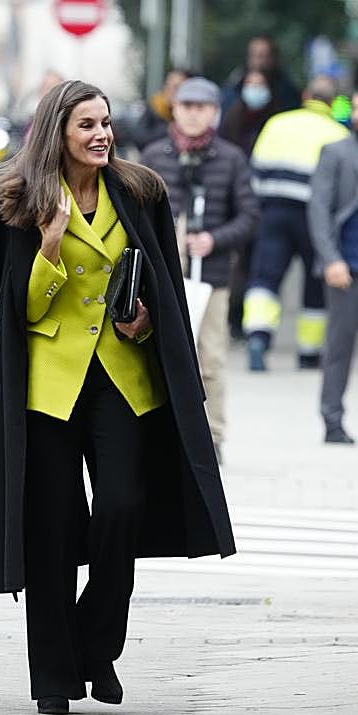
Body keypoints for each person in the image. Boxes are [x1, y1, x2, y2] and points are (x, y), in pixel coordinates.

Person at [0, 80, 235, 715]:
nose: (102, 135)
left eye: (106, 123)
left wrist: (144, 323)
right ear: (56, 133)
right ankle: (54, 680)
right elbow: (13, 306)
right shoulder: (18, 201)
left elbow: (164, 287)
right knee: (50, 531)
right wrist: (50, 247)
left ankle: (97, 643)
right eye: (87, 125)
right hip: (48, 387)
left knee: (123, 507)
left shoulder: (142, 191)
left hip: (123, 380)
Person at [141, 77, 259, 462]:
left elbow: (249, 216)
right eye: (186, 106)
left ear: (213, 113)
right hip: (162, 277)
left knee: (210, 359)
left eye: (201, 107)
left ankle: (212, 436)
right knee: (158, 357)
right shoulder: (154, 156)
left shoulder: (231, 159)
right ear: (174, 109)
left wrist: (215, 239)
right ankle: (158, 431)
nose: (192, 114)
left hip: (212, 278)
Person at [243, 75, 347, 371]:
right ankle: (308, 352)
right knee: (315, 282)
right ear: (332, 102)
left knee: (265, 276)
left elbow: (257, 170)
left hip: (273, 211)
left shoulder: (277, 123)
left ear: (305, 95)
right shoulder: (338, 133)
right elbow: (341, 187)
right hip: (315, 218)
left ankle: (258, 338)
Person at [308, 81, 358, 444]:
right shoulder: (336, 151)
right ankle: (332, 420)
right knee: (339, 345)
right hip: (348, 264)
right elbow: (318, 209)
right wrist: (330, 259)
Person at [219, 68, 282, 340]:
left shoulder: (276, 119)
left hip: (266, 200)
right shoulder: (232, 116)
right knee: (239, 264)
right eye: (250, 84)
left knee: (259, 262)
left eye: (260, 84)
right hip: (237, 196)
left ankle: (250, 323)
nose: (255, 90)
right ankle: (236, 320)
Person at [221, 35, 300, 117]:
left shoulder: (287, 91)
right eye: (256, 56)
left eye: (264, 56)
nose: (260, 62)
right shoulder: (235, 87)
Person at [132, 68, 190, 150]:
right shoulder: (155, 105)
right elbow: (139, 138)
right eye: (168, 85)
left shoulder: (193, 113)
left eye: (176, 87)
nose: (171, 90)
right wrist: (168, 130)